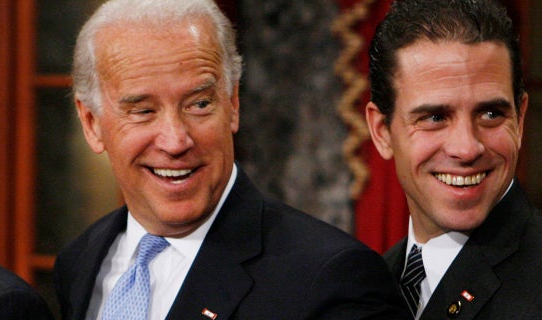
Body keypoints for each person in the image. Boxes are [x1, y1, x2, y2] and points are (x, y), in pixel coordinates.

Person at [53, 0, 410, 319]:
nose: (176, 140)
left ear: (233, 103)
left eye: (200, 104)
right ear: (91, 123)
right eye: (144, 111)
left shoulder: (331, 278)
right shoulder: (80, 262)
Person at [365, 0, 542, 319]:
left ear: (520, 121)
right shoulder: (375, 279)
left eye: (491, 114)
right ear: (382, 131)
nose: (467, 148)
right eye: (435, 117)